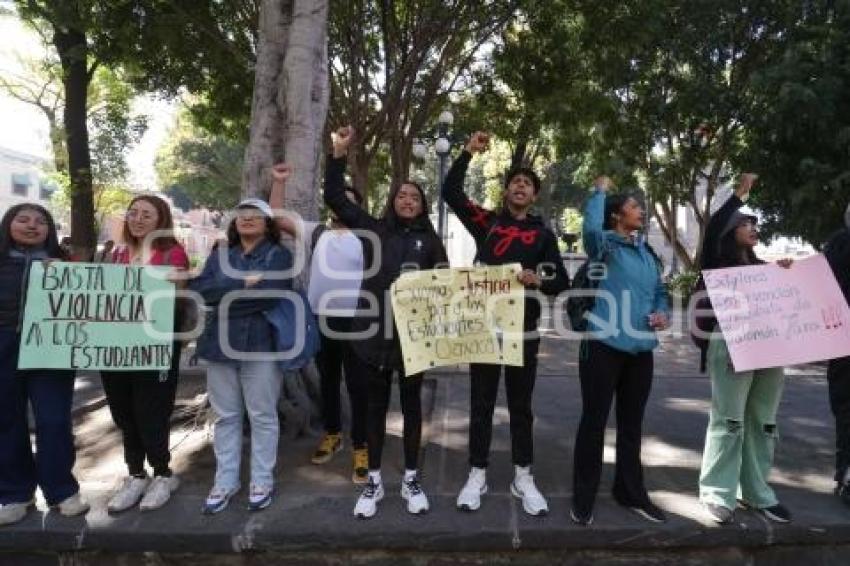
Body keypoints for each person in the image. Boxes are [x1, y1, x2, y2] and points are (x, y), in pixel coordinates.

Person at [441, 132, 570, 516]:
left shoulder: (543, 235)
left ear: (534, 196)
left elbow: (562, 282)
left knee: (520, 406)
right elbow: (451, 193)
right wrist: (467, 153)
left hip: (522, 333)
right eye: (515, 181)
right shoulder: (487, 223)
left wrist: (539, 280)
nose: (520, 186)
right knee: (480, 403)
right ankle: (477, 473)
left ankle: (522, 475)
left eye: (527, 184)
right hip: (482, 327)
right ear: (506, 190)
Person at [324, 126, 448, 519]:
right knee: (374, 411)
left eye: (415, 196)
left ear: (422, 205)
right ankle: (374, 483)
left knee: (414, 411)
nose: (408, 200)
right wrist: (338, 154)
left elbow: (447, 286)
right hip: (372, 339)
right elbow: (333, 198)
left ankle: (411, 478)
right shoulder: (372, 231)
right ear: (392, 202)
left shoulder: (431, 241)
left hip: (415, 342)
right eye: (401, 195)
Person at [570, 176, 670, 526]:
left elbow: (660, 292)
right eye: (632, 206)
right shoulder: (605, 246)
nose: (640, 210)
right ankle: (583, 497)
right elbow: (590, 231)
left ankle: (630, 492)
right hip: (602, 345)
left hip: (641, 350)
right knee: (593, 422)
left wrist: (663, 314)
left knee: (632, 425)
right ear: (616, 216)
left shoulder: (647, 253)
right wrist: (598, 192)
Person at [697, 174, 794, 525]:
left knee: (763, 421)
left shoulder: (763, 269)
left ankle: (756, 492)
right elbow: (713, 228)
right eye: (745, 222)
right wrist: (738, 195)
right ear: (730, 229)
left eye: (755, 223)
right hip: (730, 344)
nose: (752, 227)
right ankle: (716, 492)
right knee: (730, 420)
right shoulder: (717, 263)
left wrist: (786, 274)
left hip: (770, 347)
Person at [269, 163, 369, 484]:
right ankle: (332, 433)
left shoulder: (368, 236)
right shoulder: (318, 232)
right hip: (322, 320)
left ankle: (362, 446)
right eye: (340, 201)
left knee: (357, 384)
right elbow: (275, 217)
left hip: (358, 323)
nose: (344, 206)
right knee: (328, 381)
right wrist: (278, 181)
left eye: (350, 201)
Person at [190, 199, 292, 514]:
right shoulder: (221, 256)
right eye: (241, 215)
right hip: (219, 347)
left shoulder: (279, 255)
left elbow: (270, 294)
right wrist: (241, 283)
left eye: (255, 215)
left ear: (267, 223)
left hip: (262, 346)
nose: (247, 219)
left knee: (262, 416)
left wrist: (226, 294)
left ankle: (261, 480)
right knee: (225, 417)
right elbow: (202, 291)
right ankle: (226, 480)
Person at [0, 204, 89, 526]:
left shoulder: (64, 264)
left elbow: (85, 307)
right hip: (4, 345)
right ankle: (13, 493)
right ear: (8, 224)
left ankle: (62, 490)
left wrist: (66, 276)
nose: (32, 226)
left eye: (41, 222)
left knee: (53, 420)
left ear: (50, 230)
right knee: (7, 421)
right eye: (23, 220)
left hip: (51, 349)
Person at [102, 195, 189, 513]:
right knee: (123, 414)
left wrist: (172, 284)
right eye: (133, 213)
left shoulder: (172, 253)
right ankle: (136, 475)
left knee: (150, 412)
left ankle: (163, 474)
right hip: (114, 349)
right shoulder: (115, 253)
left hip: (154, 348)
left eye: (146, 215)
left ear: (160, 220)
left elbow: (179, 302)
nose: (138, 219)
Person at [826, 204, 850, 505]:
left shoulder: (838, 243)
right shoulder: (842, 243)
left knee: (845, 408)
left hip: (843, 341)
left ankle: (845, 474)